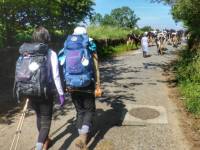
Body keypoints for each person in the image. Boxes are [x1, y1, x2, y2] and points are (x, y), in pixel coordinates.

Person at [59, 26, 101, 150]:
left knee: (79, 111)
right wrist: (98, 84)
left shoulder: (66, 47)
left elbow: (62, 66)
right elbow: (96, 67)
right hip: (87, 82)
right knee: (89, 110)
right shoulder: (89, 44)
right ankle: (83, 137)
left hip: (71, 83)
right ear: (85, 34)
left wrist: (65, 85)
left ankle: (82, 135)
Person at [30, 26, 64, 150]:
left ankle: (45, 141)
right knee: (46, 119)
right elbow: (56, 75)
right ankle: (40, 147)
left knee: (39, 117)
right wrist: (61, 94)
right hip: (45, 93)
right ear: (47, 37)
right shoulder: (50, 53)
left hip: (31, 92)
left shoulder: (28, 52)